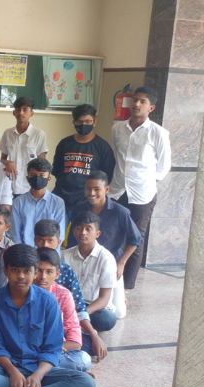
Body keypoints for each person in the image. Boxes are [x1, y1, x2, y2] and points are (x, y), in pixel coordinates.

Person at [0, 245, 96, 387]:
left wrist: (38, 375)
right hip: (7, 367)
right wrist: (13, 372)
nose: (21, 276)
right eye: (15, 270)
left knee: (86, 383)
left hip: (41, 368)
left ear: (35, 273)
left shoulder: (48, 301)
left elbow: (52, 348)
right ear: (5, 271)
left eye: (27, 271)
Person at [109, 86, 171, 290]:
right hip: (118, 190)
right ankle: (108, 279)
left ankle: (127, 285)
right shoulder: (117, 128)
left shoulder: (158, 133)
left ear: (151, 107)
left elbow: (164, 166)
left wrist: (147, 181)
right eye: (135, 100)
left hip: (142, 193)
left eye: (142, 102)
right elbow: (118, 157)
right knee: (112, 233)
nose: (136, 104)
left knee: (136, 238)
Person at [34, 219, 108, 363]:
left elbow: (79, 307)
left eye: (50, 241)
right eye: (41, 240)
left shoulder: (65, 271)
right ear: (35, 241)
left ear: (58, 242)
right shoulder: (26, 268)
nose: (45, 245)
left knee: (84, 354)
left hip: (61, 330)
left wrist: (94, 335)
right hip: (31, 337)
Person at [68, 171, 141, 282]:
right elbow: (72, 238)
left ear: (106, 189)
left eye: (97, 189)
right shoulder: (79, 209)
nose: (92, 193)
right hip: (83, 263)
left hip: (111, 263)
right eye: (88, 188)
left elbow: (135, 239)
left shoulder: (120, 212)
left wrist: (121, 263)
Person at [34, 248, 91, 372]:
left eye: (49, 272)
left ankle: (39, 369)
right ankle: (49, 371)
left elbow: (74, 337)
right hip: (27, 350)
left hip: (55, 350)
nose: (43, 277)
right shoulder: (22, 292)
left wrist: (55, 349)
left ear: (57, 274)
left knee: (83, 359)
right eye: (39, 271)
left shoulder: (63, 295)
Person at [52, 104, 115, 214]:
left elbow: (106, 176)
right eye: (79, 121)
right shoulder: (64, 143)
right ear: (74, 123)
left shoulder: (103, 147)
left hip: (87, 203)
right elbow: (57, 170)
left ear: (94, 122)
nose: (83, 124)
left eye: (88, 121)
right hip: (61, 200)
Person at [62, 212, 119, 333]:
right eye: (79, 228)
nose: (83, 233)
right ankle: (79, 326)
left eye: (88, 229)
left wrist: (81, 314)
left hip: (94, 307)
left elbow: (104, 298)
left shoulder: (106, 258)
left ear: (97, 233)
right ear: (74, 232)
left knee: (107, 319)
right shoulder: (66, 255)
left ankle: (74, 324)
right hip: (71, 303)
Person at [0, 97, 48, 197]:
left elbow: (42, 165)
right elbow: (2, 159)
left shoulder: (39, 134)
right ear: (14, 112)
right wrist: (8, 163)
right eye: (18, 109)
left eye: (25, 109)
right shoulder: (8, 133)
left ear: (31, 113)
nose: (21, 113)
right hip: (10, 187)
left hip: (30, 188)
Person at [11, 158, 65, 245]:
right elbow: (15, 234)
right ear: (27, 178)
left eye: (42, 175)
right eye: (33, 175)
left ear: (49, 179)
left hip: (49, 249)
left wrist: (49, 249)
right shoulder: (18, 202)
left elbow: (60, 234)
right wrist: (22, 251)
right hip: (25, 250)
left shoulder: (58, 202)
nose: (37, 178)